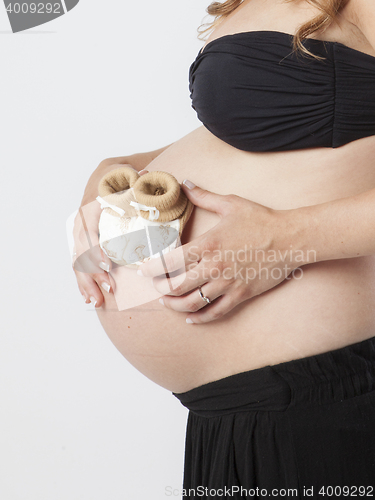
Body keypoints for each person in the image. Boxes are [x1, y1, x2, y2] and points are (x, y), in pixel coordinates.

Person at [72, 0, 375, 495]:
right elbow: (263, 129)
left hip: (325, 401)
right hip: (228, 417)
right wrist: (122, 163)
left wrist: (285, 242)